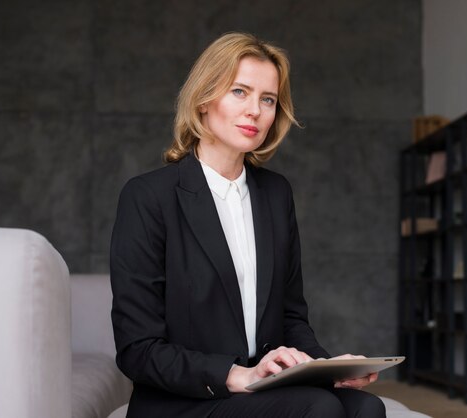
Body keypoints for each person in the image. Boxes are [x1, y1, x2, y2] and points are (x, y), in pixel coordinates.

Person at [110, 32, 386, 418]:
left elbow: (291, 318)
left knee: (366, 409)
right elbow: (137, 349)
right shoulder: (148, 197)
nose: (255, 110)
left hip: (261, 388)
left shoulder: (275, 194)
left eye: (268, 99)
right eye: (240, 92)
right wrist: (234, 374)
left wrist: (328, 368)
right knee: (318, 408)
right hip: (183, 401)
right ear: (204, 99)